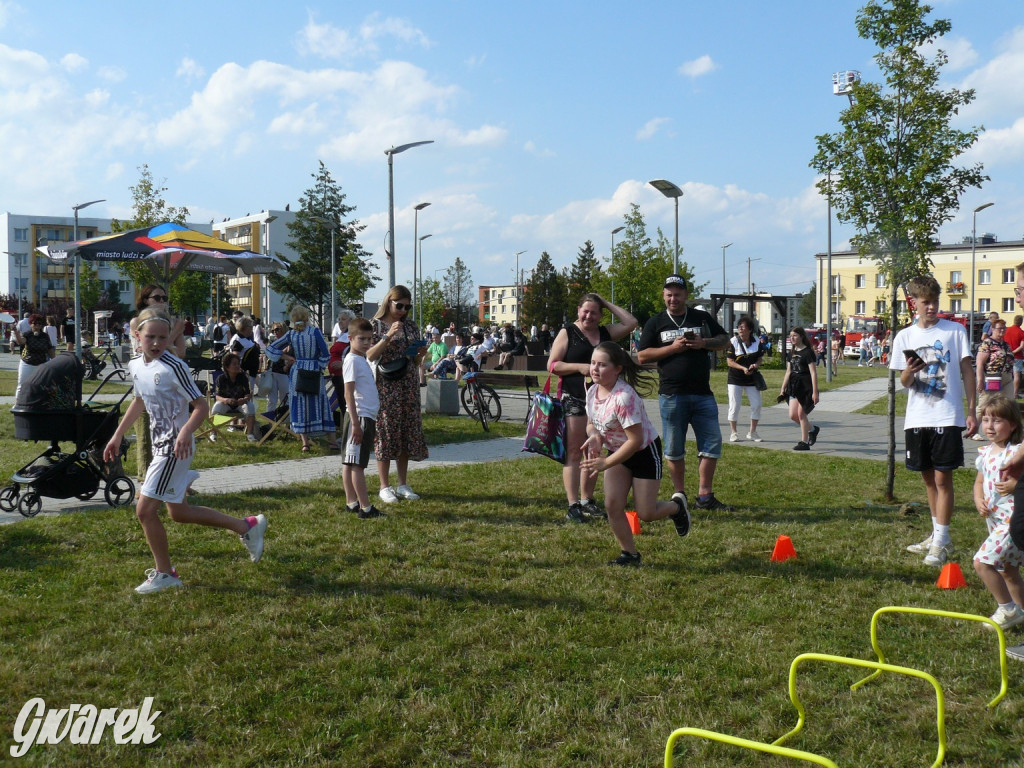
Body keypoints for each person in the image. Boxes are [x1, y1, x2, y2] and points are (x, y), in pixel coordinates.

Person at [103, 307, 267, 594]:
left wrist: (186, 431)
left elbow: (201, 406)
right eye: (150, 337)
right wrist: (117, 435)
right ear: (136, 335)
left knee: (144, 511)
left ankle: (166, 574)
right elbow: (139, 401)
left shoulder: (173, 366)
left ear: (170, 338)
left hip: (174, 447)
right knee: (178, 512)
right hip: (161, 444)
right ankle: (246, 527)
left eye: (162, 338)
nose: (156, 343)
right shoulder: (136, 365)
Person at [890, 275, 976, 567]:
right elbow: (904, 381)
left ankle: (941, 540)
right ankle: (938, 535)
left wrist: (972, 410)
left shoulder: (955, 331)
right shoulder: (905, 336)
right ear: (913, 303)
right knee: (928, 477)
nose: (932, 307)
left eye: (935, 301)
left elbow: (967, 371)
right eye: (926, 302)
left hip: (947, 414)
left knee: (943, 477)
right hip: (917, 417)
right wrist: (910, 371)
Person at [580, 341, 690, 566]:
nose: (594, 369)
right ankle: (629, 554)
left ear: (617, 369)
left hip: (643, 453)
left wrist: (606, 462)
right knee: (612, 505)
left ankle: (677, 507)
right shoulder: (592, 390)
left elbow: (636, 440)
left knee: (646, 513)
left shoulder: (624, 397)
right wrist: (594, 436)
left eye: (602, 365)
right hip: (617, 452)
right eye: (593, 363)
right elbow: (592, 423)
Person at [638, 274, 732, 513]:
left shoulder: (701, 318)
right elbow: (642, 356)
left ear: (686, 295)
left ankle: (705, 495)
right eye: (669, 294)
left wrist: (704, 343)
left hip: (703, 394)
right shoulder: (655, 322)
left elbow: (725, 340)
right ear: (663, 296)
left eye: (677, 294)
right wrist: (672, 348)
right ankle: (680, 495)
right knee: (674, 448)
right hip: (671, 395)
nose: (673, 298)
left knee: (711, 445)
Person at [548, 292, 637, 522]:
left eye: (594, 312)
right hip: (575, 398)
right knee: (575, 451)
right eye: (585, 311)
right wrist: (580, 367)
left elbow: (631, 323)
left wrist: (605, 302)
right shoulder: (568, 332)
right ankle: (573, 504)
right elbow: (553, 364)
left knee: (593, 451)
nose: (589, 316)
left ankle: (587, 500)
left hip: (600, 402)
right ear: (578, 311)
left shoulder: (605, 333)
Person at [368, 285, 429, 503]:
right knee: (386, 431)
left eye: (407, 306)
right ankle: (384, 486)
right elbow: (370, 354)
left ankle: (403, 483)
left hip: (409, 384)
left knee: (406, 431)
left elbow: (414, 361)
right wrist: (388, 336)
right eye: (399, 305)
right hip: (386, 385)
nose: (403, 310)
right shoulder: (375, 326)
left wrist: (419, 355)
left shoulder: (410, 326)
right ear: (389, 302)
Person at [971, 394, 1024, 630]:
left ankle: (1008, 609)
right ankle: (1020, 615)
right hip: (993, 518)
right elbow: (979, 482)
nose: (990, 426)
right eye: (986, 420)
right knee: (1008, 570)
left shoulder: (1016, 452)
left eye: (997, 421)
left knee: (982, 562)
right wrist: (978, 499)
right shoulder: (985, 452)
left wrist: (1016, 484)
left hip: (1011, 520)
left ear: (1013, 424)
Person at [264, 305, 337, 452]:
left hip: (298, 371)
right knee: (320, 403)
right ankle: (333, 442)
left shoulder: (291, 334)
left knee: (300, 405)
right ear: (307, 317)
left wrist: (289, 357)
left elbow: (271, 349)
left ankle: (305, 443)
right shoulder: (314, 332)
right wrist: (320, 366)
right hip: (314, 371)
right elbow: (325, 354)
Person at [341, 318, 383, 519]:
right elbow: (348, 393)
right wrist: (356, 424)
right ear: (350, 338)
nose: (367, 343)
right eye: (362, 339)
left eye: (370, 339)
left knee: (350, 462)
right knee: (357, 464)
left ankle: (351, 502)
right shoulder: (351, 360)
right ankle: (365, 507)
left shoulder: (361, 359)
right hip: (360, 418)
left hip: (364, 417)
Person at [779, 327, 821, 451]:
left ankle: (804, 442)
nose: (792, 338)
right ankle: (813, 430)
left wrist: (815, 392)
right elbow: (788, 371)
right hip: (794, 386)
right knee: (793, 415)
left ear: (801, 337)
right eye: (791, 336)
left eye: (795, 335)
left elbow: (813, 373)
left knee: (801, 414)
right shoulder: (791, 353)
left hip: (806, 386)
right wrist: (783, 388)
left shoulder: (808, 352)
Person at [973, 317, 1014, 441]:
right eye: (999, 329)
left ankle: (1009, 430)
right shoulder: (987, 343)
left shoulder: (1005, 344)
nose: (1002, 331)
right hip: (991, 377)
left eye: (1003, 328)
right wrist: (980, 380)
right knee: (984, 404)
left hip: (1006, 378)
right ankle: (974, 429)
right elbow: (979, 363)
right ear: (993, 329)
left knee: (1009, 403)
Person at [726, 316, 764, 443]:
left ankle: (752, 432)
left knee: (757, 404)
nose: (740, 329)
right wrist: (742, 368)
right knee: (734, 405)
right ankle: (733, 433)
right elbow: (729, 362)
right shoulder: (733, 341)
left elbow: (759, 358)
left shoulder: (756, 341)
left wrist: (756, 365)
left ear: (750, 329)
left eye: (743, 327)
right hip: (735, 379)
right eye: (739, 327)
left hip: (751, 379)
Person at [211, 351, 258, 443]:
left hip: (240, 404)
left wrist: (244, 399)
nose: (237, 366)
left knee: (250, 406)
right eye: (234, 364)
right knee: (216, 406)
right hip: (226, 404)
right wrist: (227, 400)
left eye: (238, 364)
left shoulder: (243, 377)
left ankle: (250, 435)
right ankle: (213, 435)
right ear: (227, 367)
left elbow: (248, 394)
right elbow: (217, 396)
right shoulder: (221, 379)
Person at [11, 314, 55, 401]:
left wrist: (55, 361)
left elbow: (50, 350)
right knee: (22, 384)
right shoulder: (27, 334)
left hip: (41, 364)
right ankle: (18, 403)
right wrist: (15, 331)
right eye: (35, 324)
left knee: (41, 385)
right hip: (27, 363)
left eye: (39, 324)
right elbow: (20, 342)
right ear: (30, 324)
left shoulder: (45, 336)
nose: (37, 326)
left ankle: (37, 404)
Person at [265, 323, 292, 414]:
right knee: (271, 399)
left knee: (284, 398)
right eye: (273, 331)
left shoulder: (288, 342)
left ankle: (284, 421)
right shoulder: (273, 342)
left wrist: (285, 361)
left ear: (284, 329)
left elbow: (290, 356)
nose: (275, 332)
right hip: (272, 371)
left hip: (283, 373)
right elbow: (269, 354)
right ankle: (270, 421)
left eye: (277, 329)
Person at [1003, 315, 1024, 399]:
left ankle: (1004, 392)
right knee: (1016, 374)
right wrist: (1014, 352)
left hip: (1006, 355)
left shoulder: (1007, 330)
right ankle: (1015, 393)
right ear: (1021, 322)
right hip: (1017, 356)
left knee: (1005, 373)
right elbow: (1022, 346)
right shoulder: (1021, 332)